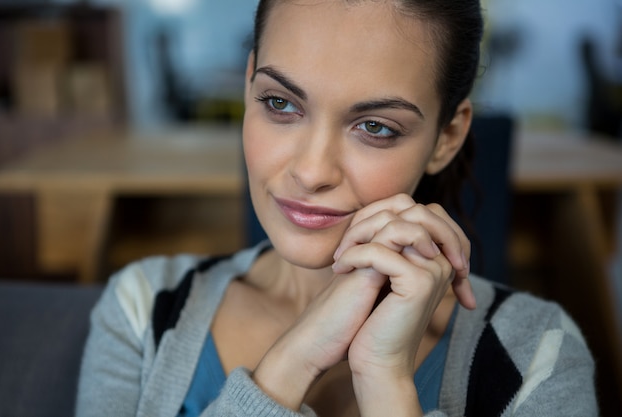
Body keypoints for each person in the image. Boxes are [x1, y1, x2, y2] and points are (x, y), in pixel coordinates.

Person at [76, 0, 598, 416]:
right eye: (280, 103)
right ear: (249, 85)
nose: (311, 171)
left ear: (448, 135)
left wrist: (387, 382)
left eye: (375, 127)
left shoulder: (537, 354)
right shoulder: (145, 308)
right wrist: (291, 363)